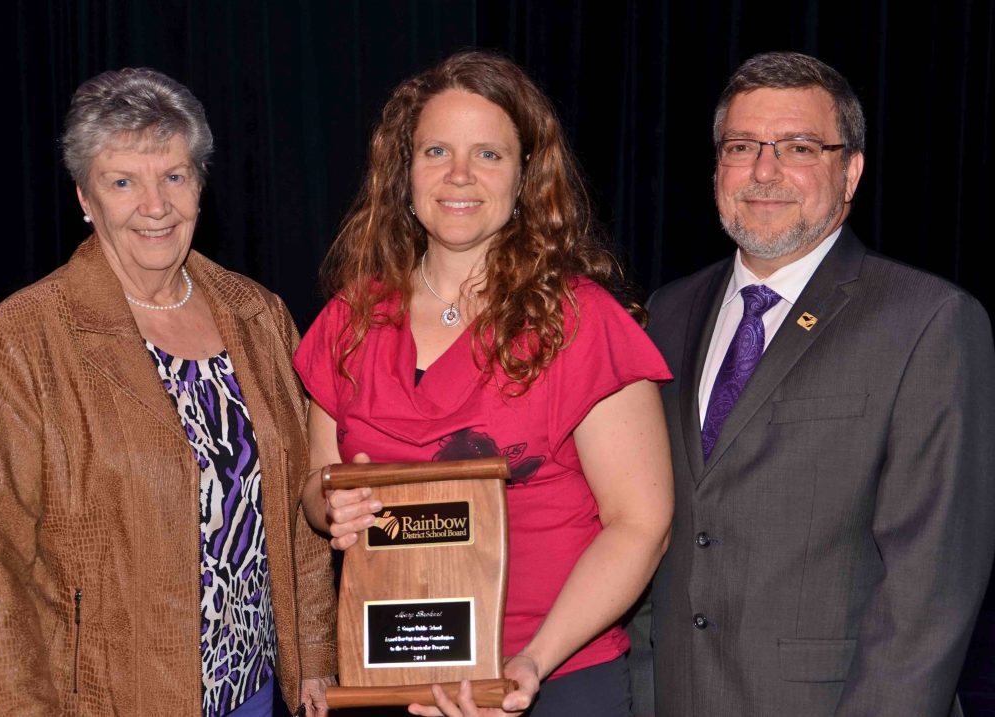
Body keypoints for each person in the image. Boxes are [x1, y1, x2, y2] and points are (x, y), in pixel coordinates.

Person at [293, 49, 674, 717]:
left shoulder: (583, 323)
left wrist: (531, 662)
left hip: (549, 681)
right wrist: (330, 505)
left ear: (527, 172)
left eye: (488, 155)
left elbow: (641, 523)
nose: (459, 175)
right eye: (436, 151)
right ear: (404, 171)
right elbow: (317, 487)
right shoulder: (346, 322)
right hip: (391, 681)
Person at [626, 51, 995, 717]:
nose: (764, 171)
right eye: (742, 146)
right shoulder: (666, 314)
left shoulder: (927, 321)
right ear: (718, 168)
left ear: (849, 172)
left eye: (798, 146)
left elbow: (929, 590)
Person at [0, 68, 336, 716]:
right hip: (108, 700)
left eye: (174, 175)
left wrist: (315, 656)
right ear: (85, 196)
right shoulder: (23, 337)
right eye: (123, 182)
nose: (156, 204)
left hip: (253, 691)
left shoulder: (259, 315)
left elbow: (299, 500)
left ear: (200, 183)